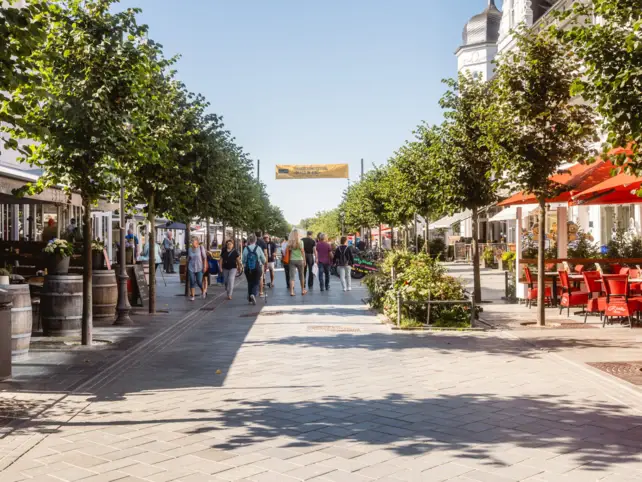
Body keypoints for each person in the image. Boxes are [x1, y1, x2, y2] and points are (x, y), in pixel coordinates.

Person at [243, 234, 266, 305]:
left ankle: (250, 300)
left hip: (248, 268)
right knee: (256, 282)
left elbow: (243, 260)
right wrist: (263, 263)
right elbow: (264, 259)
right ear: (255, 240)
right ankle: (253, 294)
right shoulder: (258, 248)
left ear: (249, 241)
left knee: (250, 282)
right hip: (257, 268)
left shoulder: (246, 248)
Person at [187, 237, 207, 301]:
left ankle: (203, 290)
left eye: (194, 242)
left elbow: (204, 258)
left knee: (199, 282)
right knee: (192, 281)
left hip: (199, 267)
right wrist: (186, 265)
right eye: (192, 242)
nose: (193, 243)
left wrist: (204, 266)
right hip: (191, 267)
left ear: (197, 242)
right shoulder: (189, 249)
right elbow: (189, 258)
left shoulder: (201, 248)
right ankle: (192, 296)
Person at [287, 230, 306, 296]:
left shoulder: (290, 242)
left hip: (292, 260)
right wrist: (304, 260)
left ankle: (292, 292)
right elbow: (302, 251)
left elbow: (287, 251)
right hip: (300, 260)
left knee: (292, 277)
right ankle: (303, 290)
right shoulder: (301, 242)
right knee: (301, 275)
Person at [254, 231, 268, 296]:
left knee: (252, 276)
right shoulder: (263, 242)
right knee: (261, 277)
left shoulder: (252, 241)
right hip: (260, 261)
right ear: (261, 235)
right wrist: (266, 262)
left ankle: (253, 291)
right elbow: (265, 253)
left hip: (252, 260)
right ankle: (261, 292)